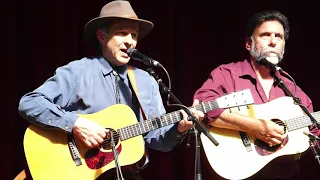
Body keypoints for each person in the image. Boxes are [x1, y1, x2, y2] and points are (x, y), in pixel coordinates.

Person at [18, 1, 203, 179]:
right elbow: (30, 103)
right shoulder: (78, 72)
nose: (130, 41)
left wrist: (179, 128)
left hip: (128, 174)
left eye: (134, 35)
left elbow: (158, 141)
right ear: (101, 36)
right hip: (85, 173)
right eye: (122, 33)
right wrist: (76, 124)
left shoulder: (146, 81)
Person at [193, 10, 320, 179]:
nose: (273, 41)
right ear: (248, 43)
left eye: (279, 36)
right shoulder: (227, 75)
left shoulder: (294, 91)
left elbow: (314, 133)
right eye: (265, 35)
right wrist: (256, 127)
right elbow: (202, 106)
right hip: (236, 170)